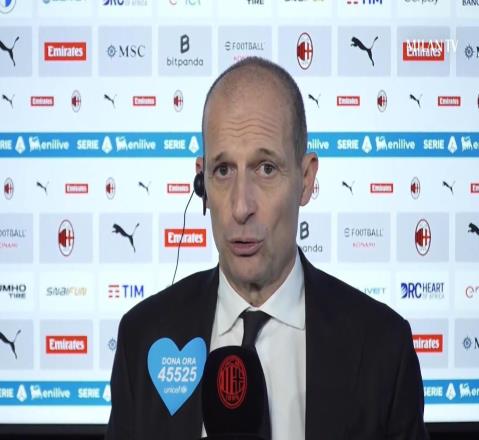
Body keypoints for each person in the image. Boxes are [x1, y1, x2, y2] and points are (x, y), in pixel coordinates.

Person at [106, 57, 428, 440]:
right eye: (223, 170)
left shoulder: (383, 348)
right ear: (202, 182)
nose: (241, 206)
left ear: (306, 179)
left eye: (266, 168)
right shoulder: (141, 338)